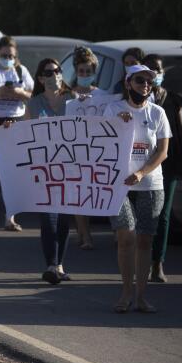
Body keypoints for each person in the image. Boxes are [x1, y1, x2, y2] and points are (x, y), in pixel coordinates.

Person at [107, 65, 170, 313]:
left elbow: (162, 152)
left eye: (149, 81)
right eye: (140, 80)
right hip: (120, 184)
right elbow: (102, 141)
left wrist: (142, 172)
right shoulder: (114, 109)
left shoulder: (158, 113)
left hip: (150, 184)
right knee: (126, 238)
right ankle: (125, 292)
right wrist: (115, 125)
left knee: (145, 240)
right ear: (128, 83)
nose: (145, 84)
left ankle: (141, 296)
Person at [143, 53, 182, 283]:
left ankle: (158, 263)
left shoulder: (173, 99)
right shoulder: (137, 99)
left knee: (163, 215)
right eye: (150, 69)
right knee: (145, 214)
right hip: (143, 162)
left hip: (170, 161)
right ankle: (142, 262)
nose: (154, 74)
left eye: (158, 69)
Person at [26, 58, 76, 284]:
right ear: (40, 78)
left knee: (64, 219)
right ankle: (51, 264)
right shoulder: (34, 104)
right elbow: (25, 135)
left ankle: (60, 264)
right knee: (48, 218)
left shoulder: (74, 101)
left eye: (57, 71)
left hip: (70, 168)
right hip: (44, 169)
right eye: (49, 72)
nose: (54, 74)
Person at [0, 36, 35, 232]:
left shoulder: (21, 71)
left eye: (11, 56)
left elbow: (33, 94)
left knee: (12, 172)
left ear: (16, 56)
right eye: (4, 55)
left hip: (16, 123)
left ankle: (9, 218)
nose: (7, 58)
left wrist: (19, 93)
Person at [64, 46, 112, 249]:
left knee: (96, 193)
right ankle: (85, 236)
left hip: (98, 152)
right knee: (78, 193)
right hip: (74, 152)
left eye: (88, 72)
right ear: (76, 71)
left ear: (94, 72)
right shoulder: (68, 96)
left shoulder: (104, 96)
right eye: (81, 71)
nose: (84, 75)